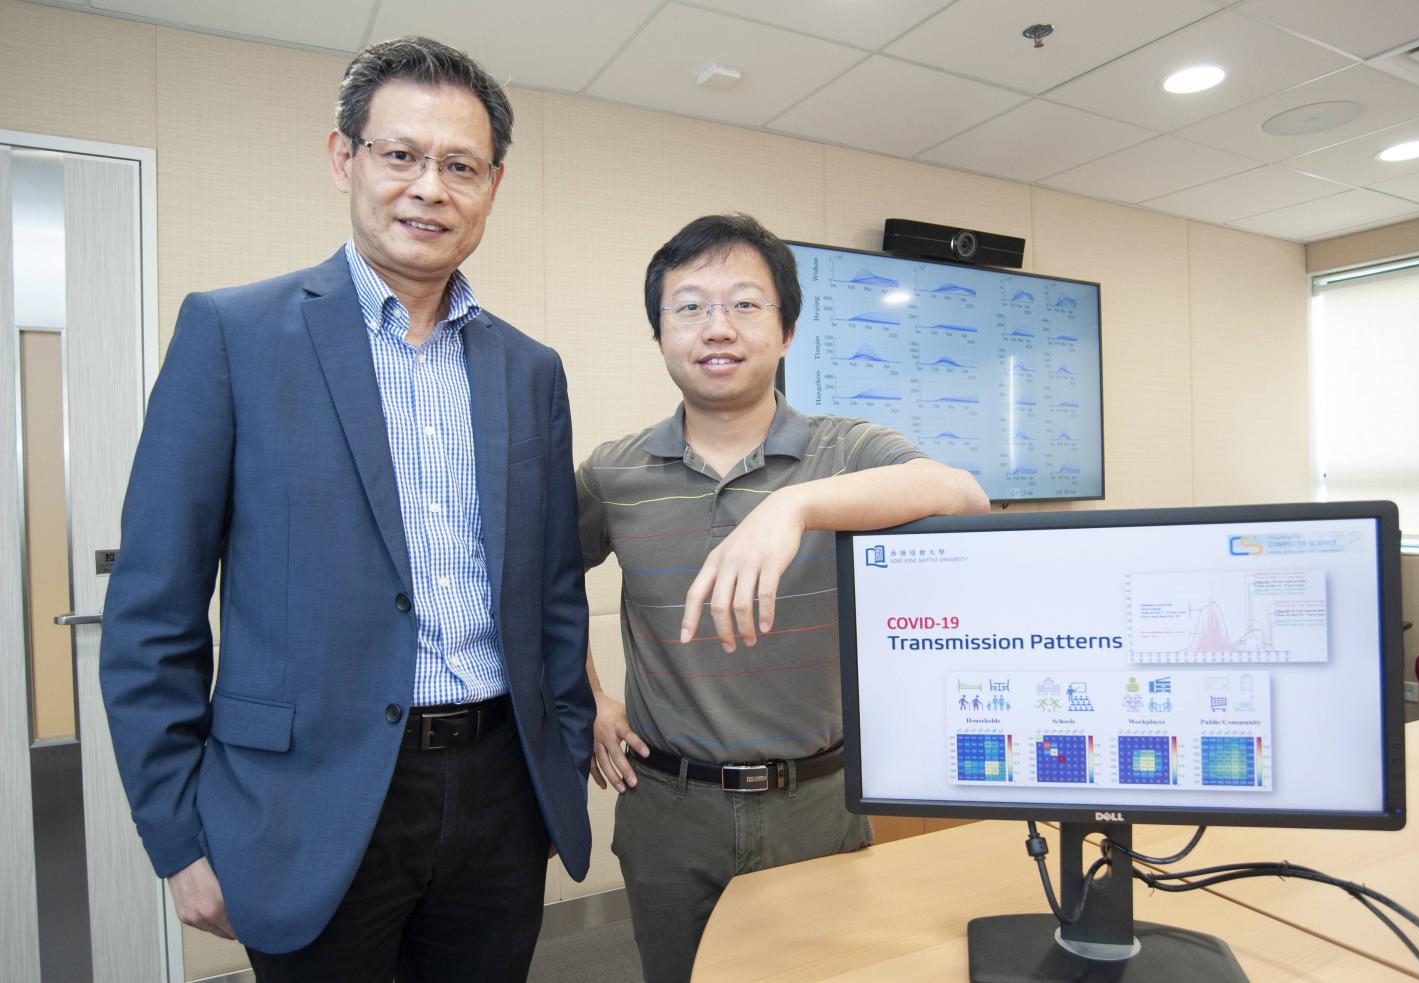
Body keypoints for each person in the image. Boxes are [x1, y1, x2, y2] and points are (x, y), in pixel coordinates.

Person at [99, 37, 593, 982]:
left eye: (461, 166)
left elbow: (555, 593)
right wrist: (178, 831)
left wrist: (560, 760)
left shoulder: (531, 370)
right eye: (400, 154)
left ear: (493, 185)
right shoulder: (233, 334)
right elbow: (153, 610)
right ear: (344, 158)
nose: (428, 188)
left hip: (501, 792)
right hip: (305, 799)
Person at [577, 213, 990, 980]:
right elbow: (540, 587)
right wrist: (590, 696)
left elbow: (964, 495)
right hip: (670, 806)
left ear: (788, 330)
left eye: (745, 303)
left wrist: (794, 505)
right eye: (689, 306)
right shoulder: (613, 472)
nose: (717, 327)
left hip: (815, 802)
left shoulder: (846, 449)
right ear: (660, 332)